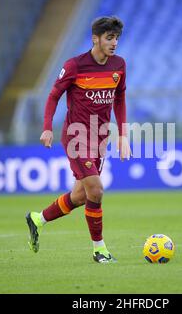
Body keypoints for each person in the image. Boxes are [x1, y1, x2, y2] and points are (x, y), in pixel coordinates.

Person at [25, 16, 131, 263]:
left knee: (82, 196)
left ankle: (37, 219)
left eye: (116, 38)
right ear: (96, 39)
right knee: (96, 190)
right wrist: (47, 128)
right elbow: (53, 96)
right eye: (109, 38)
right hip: (76, 137)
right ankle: (100, 250)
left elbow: (120, 99)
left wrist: (123, 135)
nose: (114, 43)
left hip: (101, 139)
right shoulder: (75, 66)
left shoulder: (119, 65)